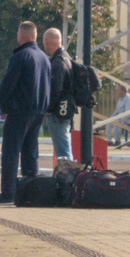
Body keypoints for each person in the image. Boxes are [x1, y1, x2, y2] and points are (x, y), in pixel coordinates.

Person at [0, 21, 52, 204]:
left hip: (19, 112)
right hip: (39, 112)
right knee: (30, 152)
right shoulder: (44, 58)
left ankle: (8, 193)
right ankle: (30, 193)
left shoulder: (21, 56)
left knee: (11, 152)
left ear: (21, 36)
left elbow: (8, 85)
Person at [40, 27, 75, 162]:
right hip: (65, 110)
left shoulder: (58, 62)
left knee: (63, 152)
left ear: (47, 40)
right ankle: (67, 176)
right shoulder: (67, 58)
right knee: (64, 148)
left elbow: (55, 88)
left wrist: (48, 108)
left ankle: (68, 178)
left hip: (57, 113)